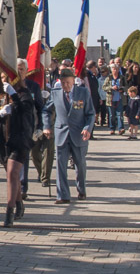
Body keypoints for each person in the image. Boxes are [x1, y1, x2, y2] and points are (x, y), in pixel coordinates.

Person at [42, 68, 95, 203]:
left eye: (68, 82)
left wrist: (87, 128)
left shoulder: (83, 93)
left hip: (79, 134)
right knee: (60, 166)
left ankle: (81, 189)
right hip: (62, 133)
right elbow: (46, 111)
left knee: (80, 165)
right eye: (64, 82)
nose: (66, 85)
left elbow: (90, 114)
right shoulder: (55, 93)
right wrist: (47, 126)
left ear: (73, 80)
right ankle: (63, 195)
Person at [0, 69, 34, 227]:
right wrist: (0, 114)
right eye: (2, 78)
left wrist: (14, 95)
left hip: (19, 141)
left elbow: (26, 111)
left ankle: (9, 211)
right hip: (2, 143)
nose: (5, 81)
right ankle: (19, 202)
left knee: (12, 173)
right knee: (12, 177)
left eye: (8, 78)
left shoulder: (24, 94)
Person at [17, 58, 44, 197]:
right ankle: (15, 185)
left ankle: (22, 188)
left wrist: (40, 126)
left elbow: (40, 108)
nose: (19, 71)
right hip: (13, 128)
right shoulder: (10, 86)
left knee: (25, 157)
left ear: (26, 71)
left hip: (28, 128)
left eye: (22, 68)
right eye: (17, 68)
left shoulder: (33, 87)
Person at [103, 64, 127, 135]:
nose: (115, 71)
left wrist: (121, 89)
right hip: (110, 99)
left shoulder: (122, 78)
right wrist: (111, 88)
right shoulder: (109, 78)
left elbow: (126, 87)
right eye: (114, 69)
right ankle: (112, 128)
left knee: (120, 115)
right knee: (111, 115)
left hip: (119, 99)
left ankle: (121, 128)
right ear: (111, 70)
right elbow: (104, 87)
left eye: (117, 69)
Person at [86, 61, 101, 138]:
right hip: (90, 98)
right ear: (93, 67)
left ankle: (90, 133)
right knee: (90, 116)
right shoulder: (87, 75)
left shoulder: (92, 75)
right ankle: (89, 133)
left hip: (94, 97)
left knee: (92, 115)